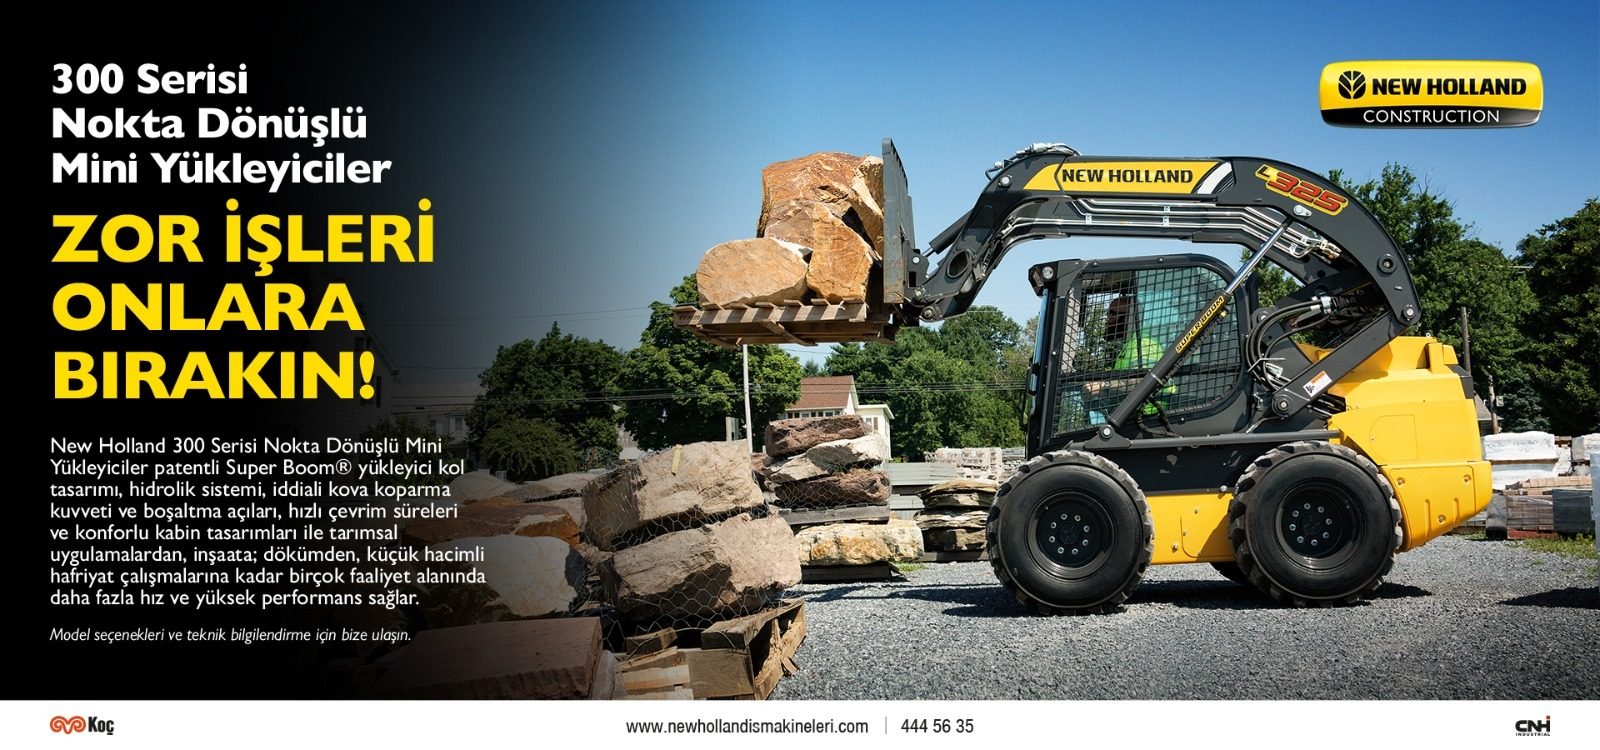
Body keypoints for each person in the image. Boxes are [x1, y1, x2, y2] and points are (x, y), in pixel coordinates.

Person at [1085, 294, 1171, 417]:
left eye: (1112, 313)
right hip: (1136, 417)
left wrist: (1103, 386)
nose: (1107, 319)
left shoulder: (1143, 343)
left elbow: (1145, 381)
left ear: (1129, 318)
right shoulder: (1130, 345)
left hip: (1150, 417)